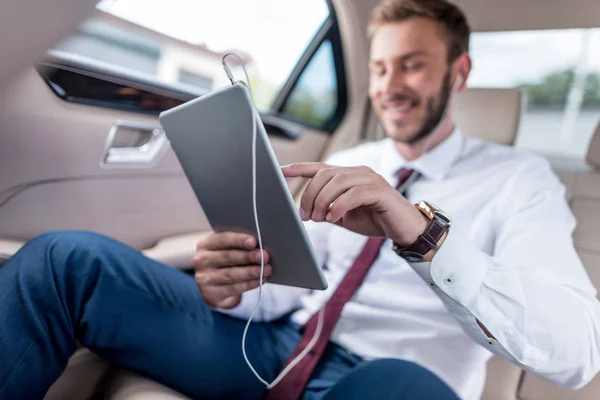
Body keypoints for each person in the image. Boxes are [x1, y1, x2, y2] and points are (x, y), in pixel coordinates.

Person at [1, 0, 600, 399]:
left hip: (393, 381)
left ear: (458, 73)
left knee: (394, 382)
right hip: (281, 345)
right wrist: (234, 287)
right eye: (381, 68)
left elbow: (577, 354)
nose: (390, 86)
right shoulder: (350, 161)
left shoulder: (522, 180)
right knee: (64, 261)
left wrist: (421, 235)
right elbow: (289, 289)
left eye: (412, 66)